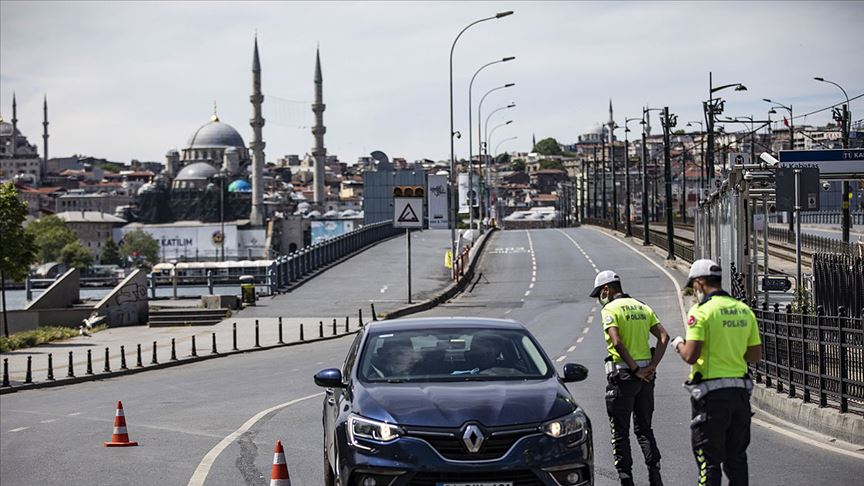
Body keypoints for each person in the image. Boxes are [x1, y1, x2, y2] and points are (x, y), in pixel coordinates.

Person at [671, 259, 763, 486]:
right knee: (737, 460)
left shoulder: (701, 312)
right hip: (740, 396)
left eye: (694, 287)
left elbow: (690, 356)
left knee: (709, 462)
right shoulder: (744, 310)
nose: (694, 292)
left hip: (712, 399)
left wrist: (678, 344)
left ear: (700, 282)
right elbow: (754, 355)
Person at [590, 270, 669, 486]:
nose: (600, 298)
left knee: (620, 432)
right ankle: (655, 476)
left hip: (625, 377)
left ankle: (627, 480)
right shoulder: (642, 306)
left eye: (599, 293)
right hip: (646, 379)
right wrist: (651, 367)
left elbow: (616, 341)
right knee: (645, 429)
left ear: (606, 289)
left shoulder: (610, 309)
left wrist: (634, 369)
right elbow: (664, 336)